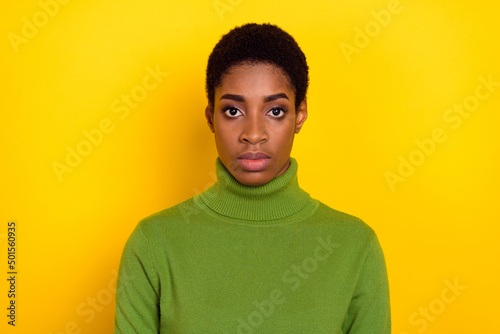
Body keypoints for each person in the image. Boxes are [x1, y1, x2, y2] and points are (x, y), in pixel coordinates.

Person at [114, 22, 391, 333]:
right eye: (233, 111)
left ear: (299, 116)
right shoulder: (154, 245)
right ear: (210, 118)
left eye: (275, 111)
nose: (254, 134)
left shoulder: (354, 247)